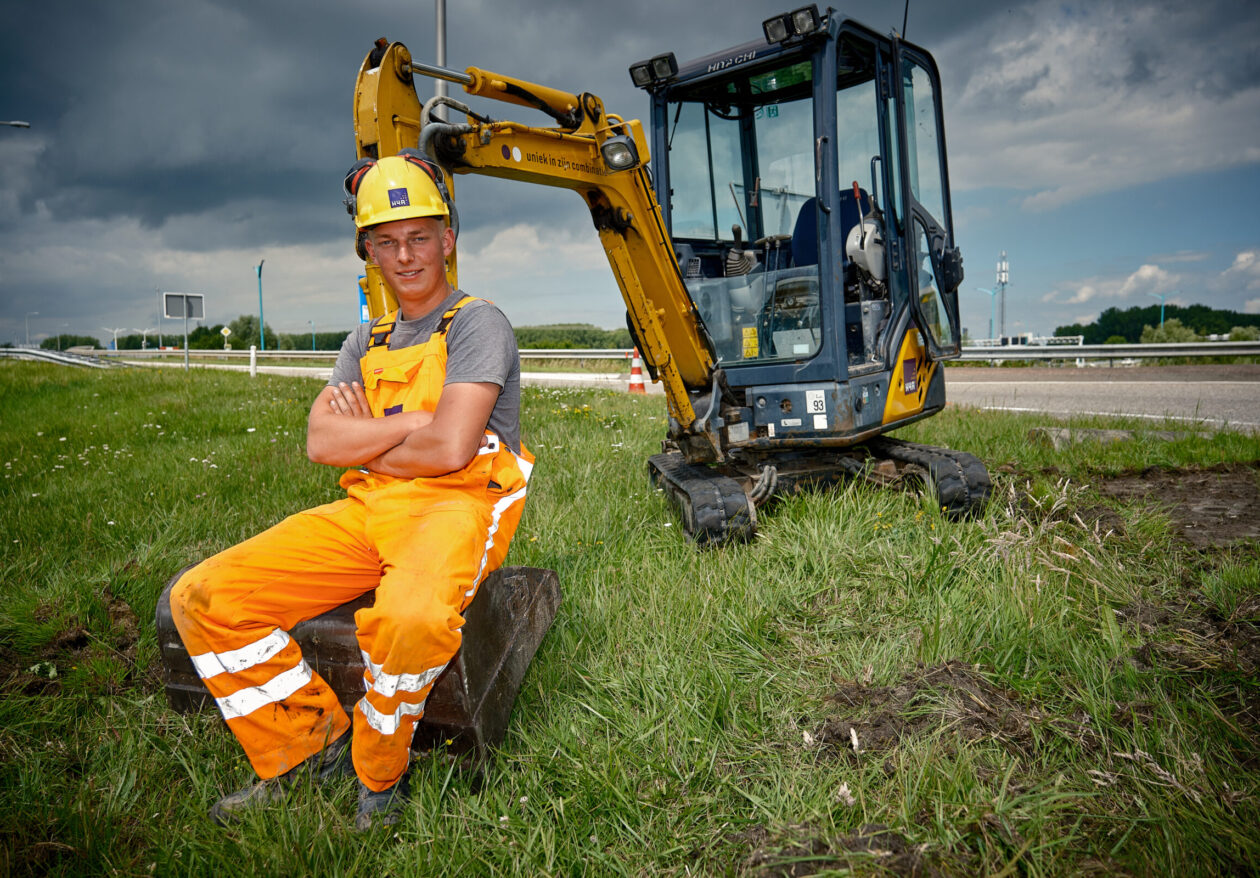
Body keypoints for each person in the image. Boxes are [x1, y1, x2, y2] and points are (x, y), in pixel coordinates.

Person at [169, 152, 532, 830]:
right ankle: (308, 748)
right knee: (206, 598)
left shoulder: (479, 325)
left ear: (447, 240)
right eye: (387, 241)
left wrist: (376, 433)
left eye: (419, 236)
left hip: (456, 507)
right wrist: (419, 423)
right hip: (367, 509)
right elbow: (320, 444)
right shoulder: (364, 339)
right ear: (368, 250)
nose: (406, 255)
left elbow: (454, 449)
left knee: (412, 620)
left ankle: (378, 774)